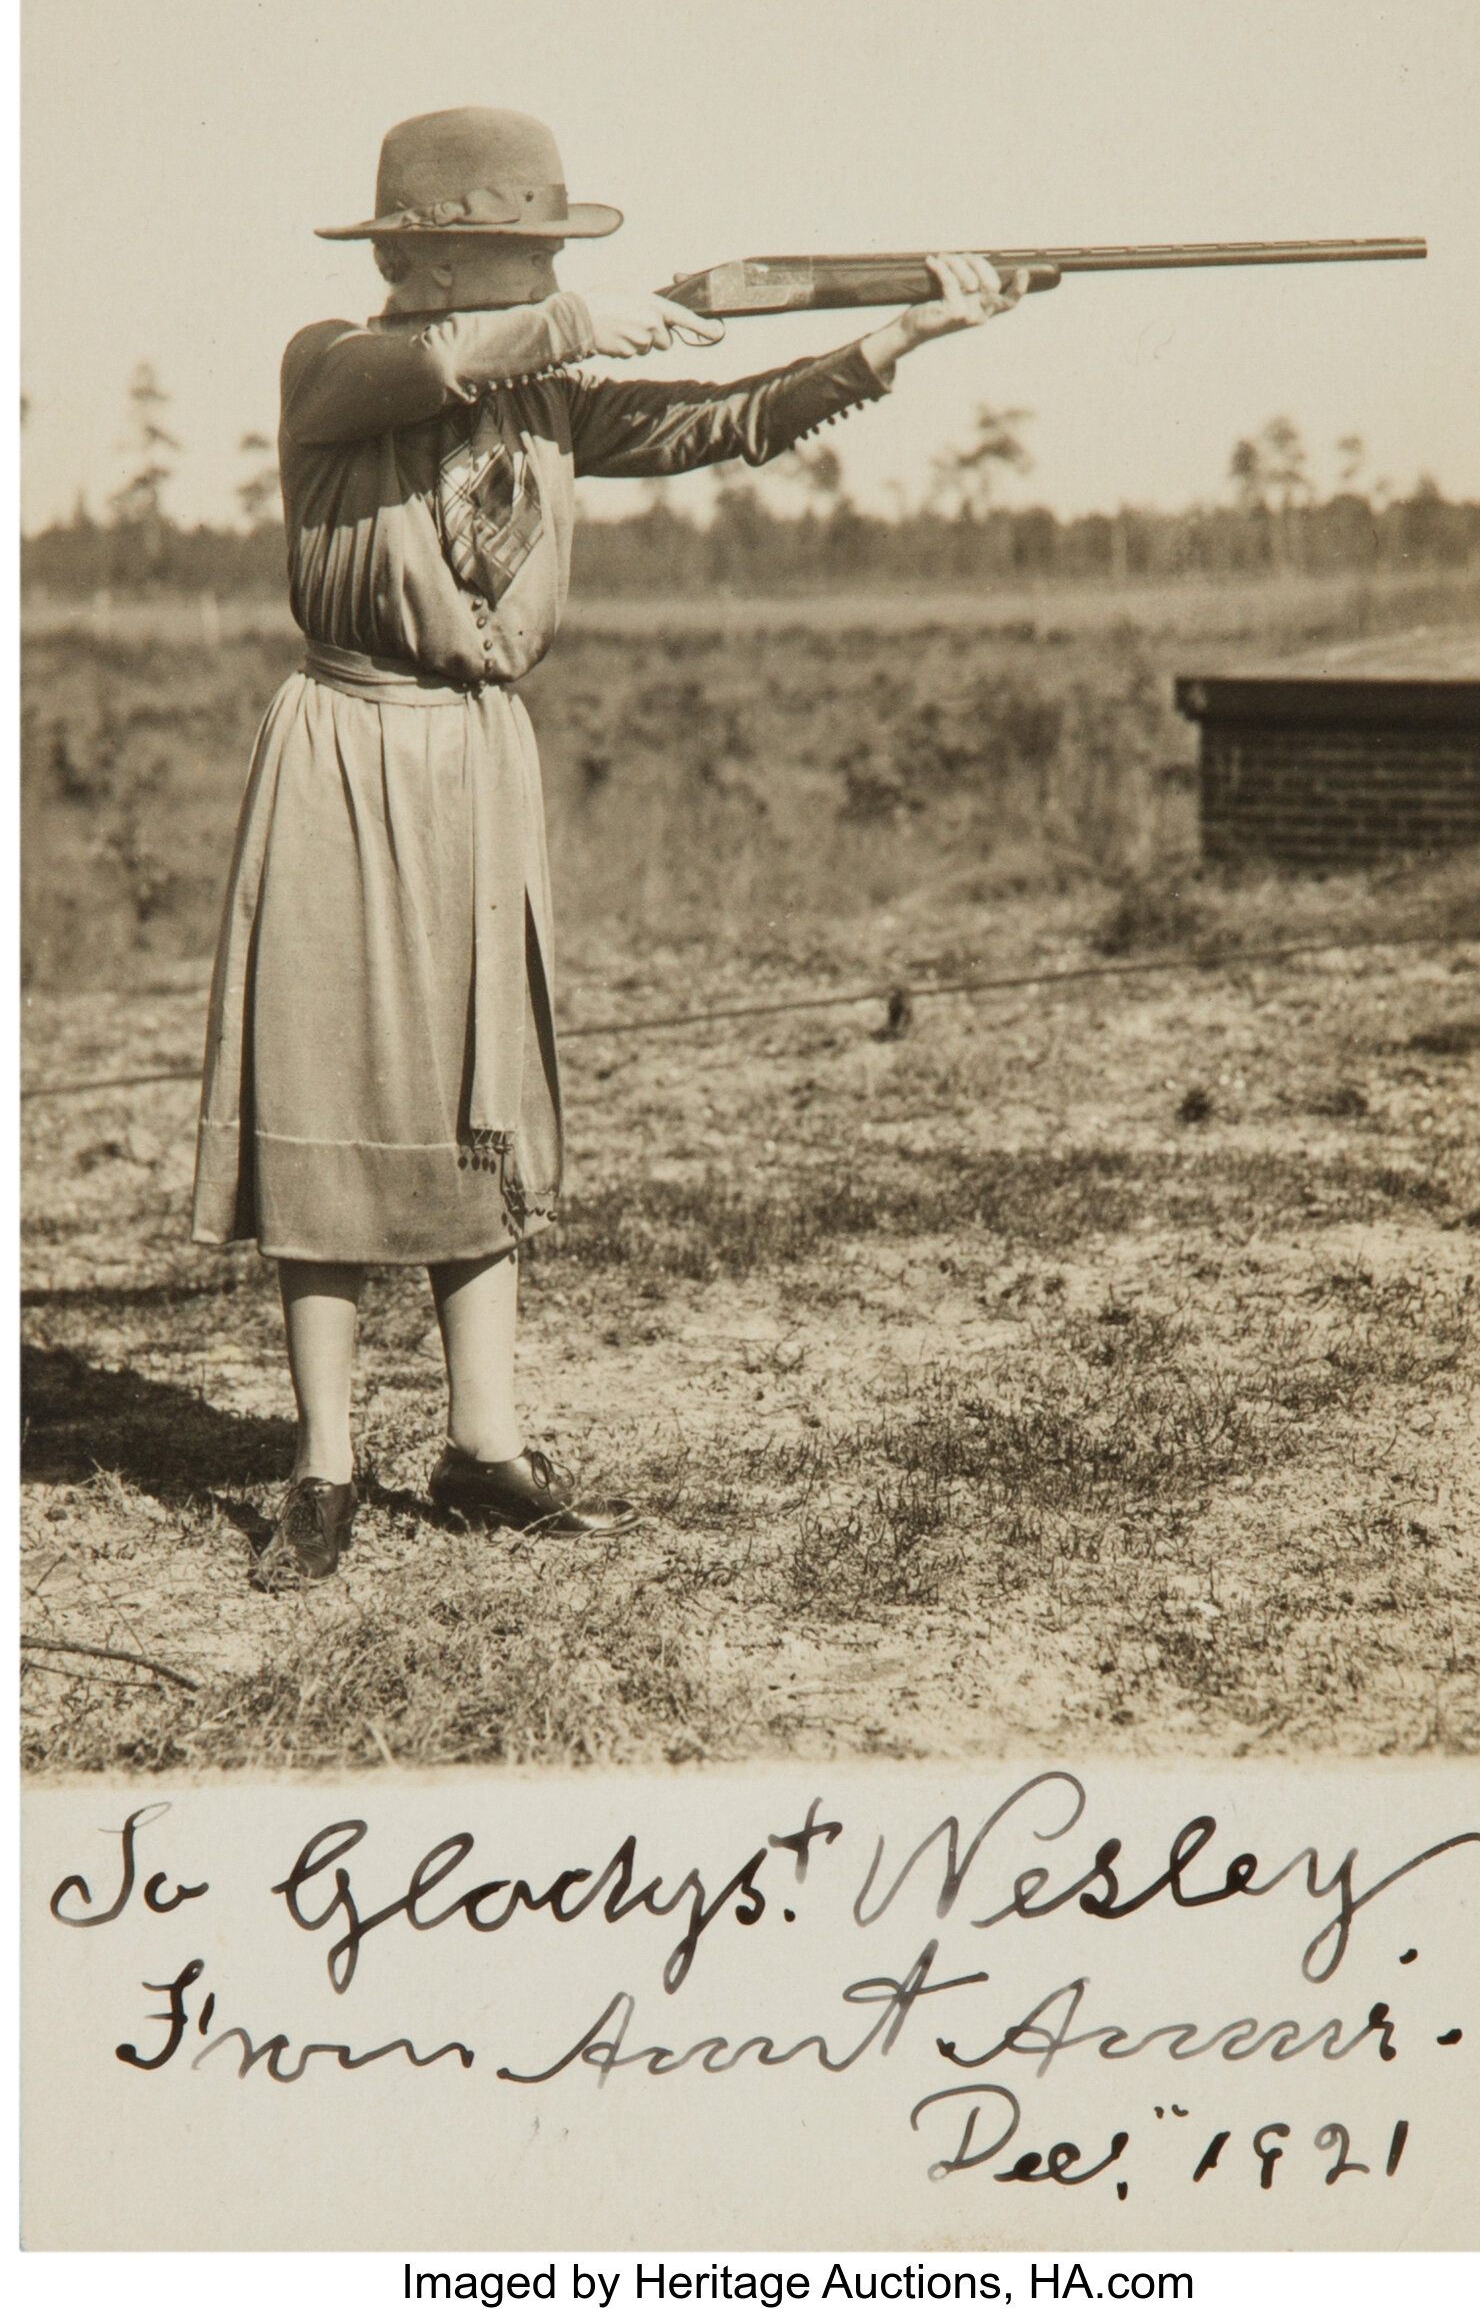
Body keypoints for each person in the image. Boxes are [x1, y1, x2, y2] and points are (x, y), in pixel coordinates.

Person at [191, 105, 1027, 1582]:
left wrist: (897, 340)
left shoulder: (549, 398)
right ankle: (322, 1467)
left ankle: (482, 1449)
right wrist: (584, 322)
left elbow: (718, 424)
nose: (532, 281)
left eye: (544, 260)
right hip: (346, 747)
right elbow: (433, 366)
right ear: (421, 260)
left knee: (480, 1101)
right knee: (324, 1104)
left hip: (476, 760)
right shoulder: (331, 363)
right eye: (516, 258)